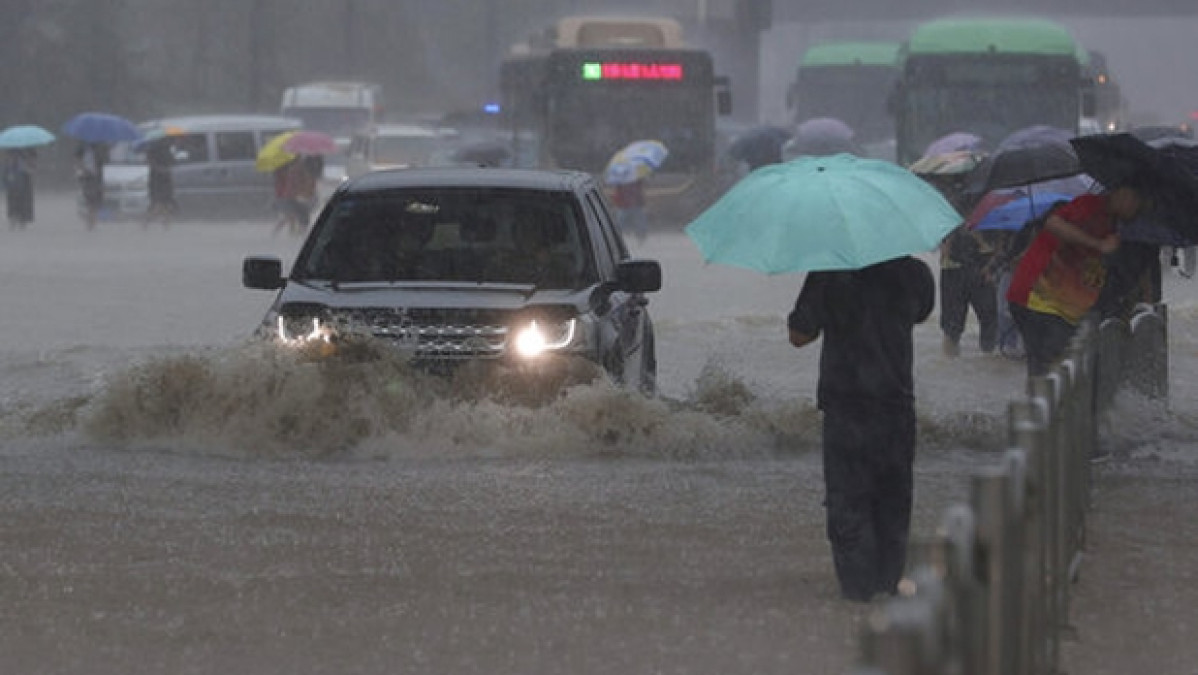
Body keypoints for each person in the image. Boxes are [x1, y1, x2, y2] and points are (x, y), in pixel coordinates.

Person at [787, 255, 935, 602]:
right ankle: (887, 586)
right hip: (896, 402)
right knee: (894, 500)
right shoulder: (915, 272)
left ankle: (857, 593)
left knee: (848, 499)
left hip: (846, 404)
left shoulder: (829, 271)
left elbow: (798, 334)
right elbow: (921, 313)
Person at [1006, 182, 1146, 376]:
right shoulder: (1091, 206)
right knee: (1050, 370)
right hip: (1040, 299)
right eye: (1136, 200)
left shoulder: (1117, 225)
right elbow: (1053, 223)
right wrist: (1098, 244)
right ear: (1122, 193)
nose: (1138, 207)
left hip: (1063, 307)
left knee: (1054, 372)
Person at [143, 139, 177, 228]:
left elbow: (172, 162)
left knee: (165, 203)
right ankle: (147, 222)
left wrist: (165, 169)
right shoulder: (154, 150)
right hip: (158, 180)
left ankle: (165, 224)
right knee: (158, 203)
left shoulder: (165, 150)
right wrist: (161, 169)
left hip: (164, 180)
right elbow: (151, 163)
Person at [76, 142, 107, 230]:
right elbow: (78, 163)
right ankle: (91, 222)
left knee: (96, 202)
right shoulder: (81, 150)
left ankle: (92, 222)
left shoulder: (98, 150)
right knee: (90, 201)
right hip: (87, 179)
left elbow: (101, 164)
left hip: (96, 179)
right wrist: (83, 170)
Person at [3, 148, 36, 229]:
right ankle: (14, 220)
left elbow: (31, 168)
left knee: (22, 202)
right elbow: (6, 171)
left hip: (22, 183)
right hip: (13, 183)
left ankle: (21, 220)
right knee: (13, 202)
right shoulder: (11, 156)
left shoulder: (27, 153)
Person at [609, 176, 647, 244]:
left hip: (632, 205)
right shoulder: (621, 181)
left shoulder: (636, 180)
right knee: (621, 223)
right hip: (626, 206)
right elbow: (617, 193)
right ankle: (621, 238)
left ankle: (640, 238)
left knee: (638, 222)